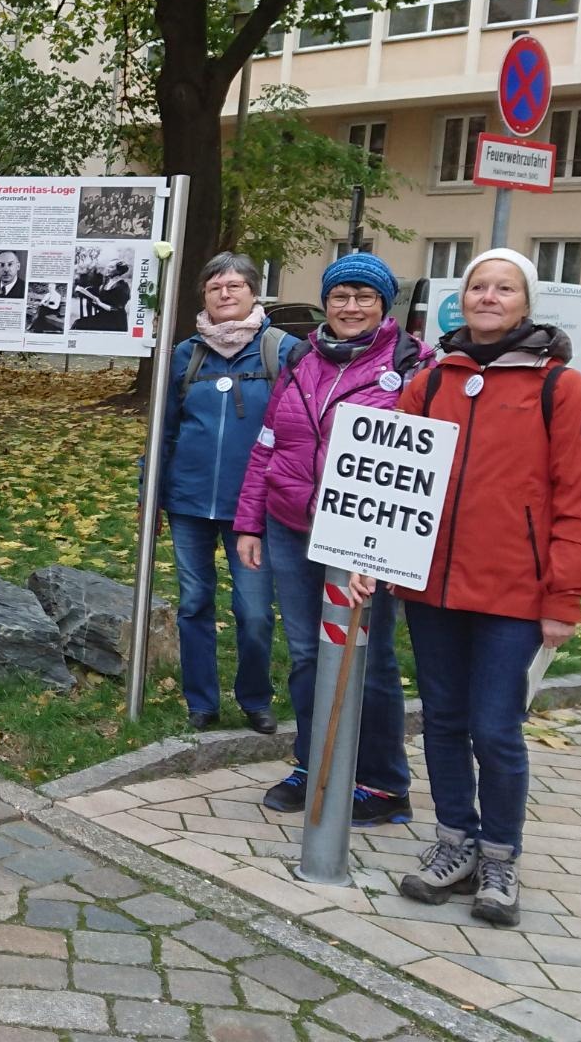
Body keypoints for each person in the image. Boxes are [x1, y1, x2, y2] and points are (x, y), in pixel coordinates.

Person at [391, 248, 581, 927]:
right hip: (432, 592)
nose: (489, 296)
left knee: (496, 729)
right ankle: (453, 842)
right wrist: (375, 557)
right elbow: (389, 478)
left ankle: (500, 856)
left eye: (504, 287)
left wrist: (563, 598)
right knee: (444, 723)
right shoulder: (429, 384)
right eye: (478, 286)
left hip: (514, 597)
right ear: (463, 300)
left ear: (526, 301)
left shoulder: (560, 387)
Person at [234, 252, 422, 825]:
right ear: (326, 302)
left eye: (365, 296)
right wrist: (249, 521)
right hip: (293, 529)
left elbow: (419, 461)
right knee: (310, 653)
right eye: (341, 296)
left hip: (365, 539)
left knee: (373, 658)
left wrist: (386, 551)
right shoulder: (302, 361)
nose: (351, 306)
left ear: (383, 304)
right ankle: (314, 761)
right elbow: (268, 444)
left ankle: (384, 783)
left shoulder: (414, 366)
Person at [153, 254, 297, 735]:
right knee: (194, 602)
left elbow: (298, 433)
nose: (226, 294)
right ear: (204, 296)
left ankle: (255, 697)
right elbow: (163, 430)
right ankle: (201, 701)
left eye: (236, 285)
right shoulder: (185, 354)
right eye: (216, 287)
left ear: (255, 292)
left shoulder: (283, 352)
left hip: (254, 508)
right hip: (189, 501)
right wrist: (149, 493)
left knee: (253, 610)